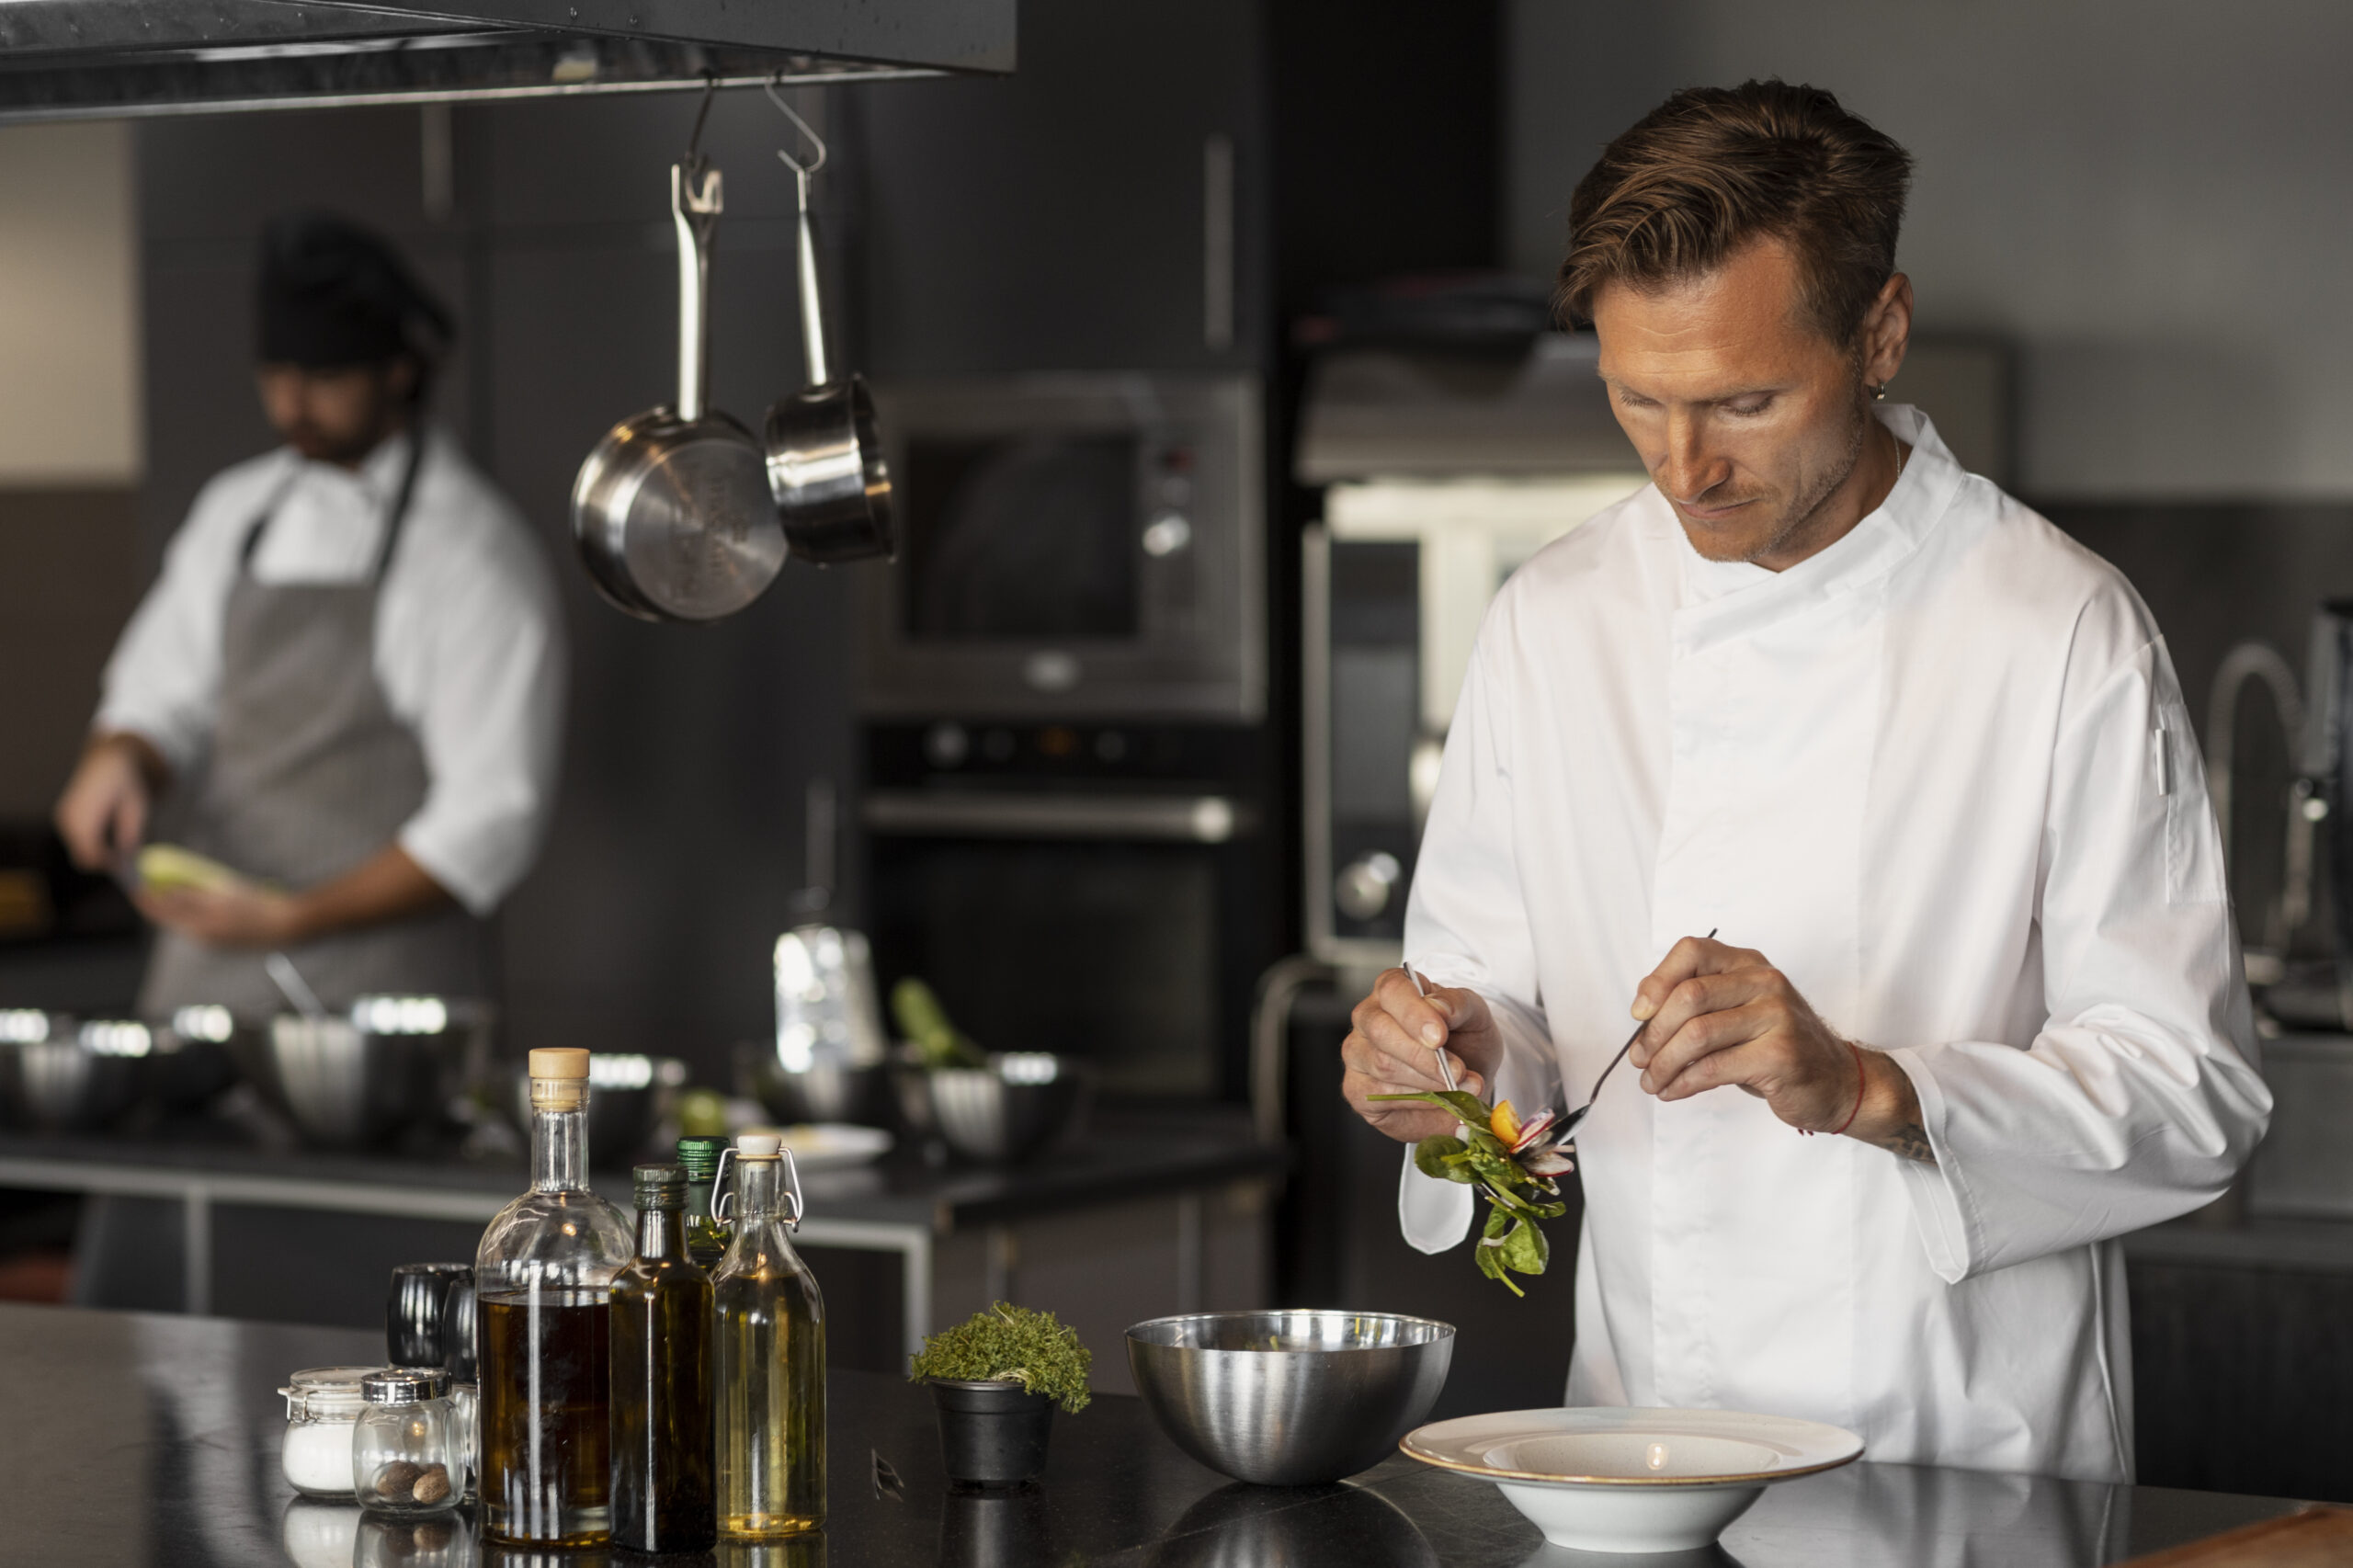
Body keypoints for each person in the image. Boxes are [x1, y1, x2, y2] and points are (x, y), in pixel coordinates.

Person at [1339, 81, 2269, 1483]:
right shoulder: (1557, 613)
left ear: (1880, 333)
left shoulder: (2055, 627)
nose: (1685, 468)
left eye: (1745, 403)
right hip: (1637, 1454)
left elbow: (2194, 1093)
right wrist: (1447, 1066)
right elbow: (1500, 1013)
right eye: (1635, 402)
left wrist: (1869, 1086)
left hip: (1957, 1458)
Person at [53, 211, 565, 1019]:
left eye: (324, 377)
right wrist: (119, 757)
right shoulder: (239, 510)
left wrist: (295, 918)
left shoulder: (472, 556)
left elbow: (493, 815)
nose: (292, 401)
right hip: (206, 974)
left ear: (397, 372)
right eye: (276, 373)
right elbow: (159, 692)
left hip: (379, 1004)